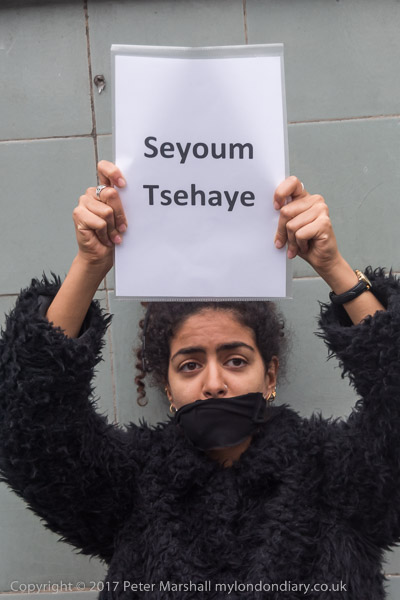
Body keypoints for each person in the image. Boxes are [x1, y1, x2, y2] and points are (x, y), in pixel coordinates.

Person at [0, 160, 398, 600]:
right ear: (168, 386)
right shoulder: (129, 486)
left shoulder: (339, 477)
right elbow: (31, 427)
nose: (213, 382)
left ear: (269, 374)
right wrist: (90, 264)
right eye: (190, 365)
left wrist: (334, 266)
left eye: (236, 361)